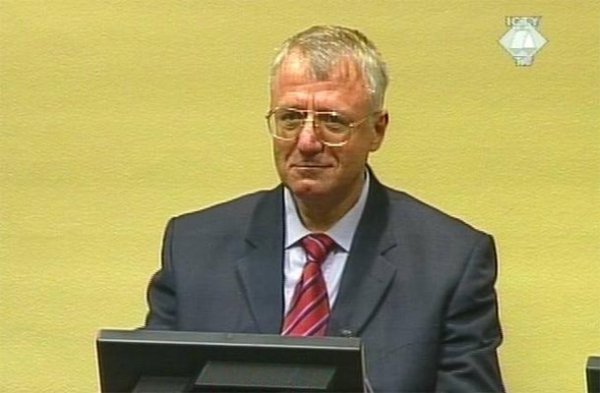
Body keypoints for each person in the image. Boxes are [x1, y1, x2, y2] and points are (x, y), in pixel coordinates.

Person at [144, 25, 505, 392]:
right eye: (290, 118)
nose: (307, 141)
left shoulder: (451, 260)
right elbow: (150, 381)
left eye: (333, 122)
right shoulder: (193, 247)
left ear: (377, 131)